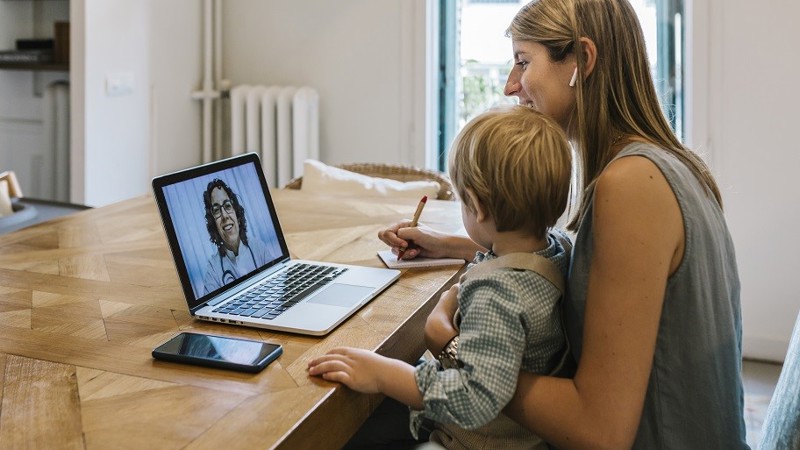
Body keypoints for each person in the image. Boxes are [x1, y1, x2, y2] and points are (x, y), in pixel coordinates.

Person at [377, 0, 749, 448]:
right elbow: (579, 272)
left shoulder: (631, 187)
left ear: (582, 61)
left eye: (522, 62)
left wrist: (450, 345)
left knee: (376, 414)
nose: (512, 86)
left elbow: (600, 432)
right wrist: (456, 245)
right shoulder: (659, 165)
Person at [308, 105, 574, 450]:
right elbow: (505, 258)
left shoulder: (498, 294)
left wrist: (382, 374)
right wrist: (444, 245)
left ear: (476, 206)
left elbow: (472, 399)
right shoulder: (556, 249)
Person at [202, 178, 273, 294]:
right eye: (216, 210)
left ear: (237, 214)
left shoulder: (258, 248)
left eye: (227, 206)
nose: (224, 215)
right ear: (213, 224)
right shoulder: (213, 269)